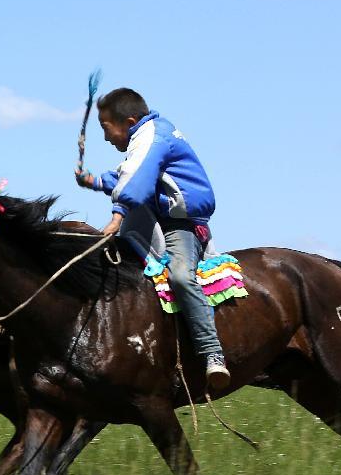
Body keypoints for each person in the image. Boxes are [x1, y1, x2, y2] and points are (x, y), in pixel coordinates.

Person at [75, 87, 230, 389]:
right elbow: (129, 173)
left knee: (182, 277)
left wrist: (118, 214)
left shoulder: (152, 136)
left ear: (129, 121)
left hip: (179, 226)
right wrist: (94, 181)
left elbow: (137, 179)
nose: (106, 138)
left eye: (106, 128)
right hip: (153, 219)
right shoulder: (145, 137)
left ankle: (212, 353)